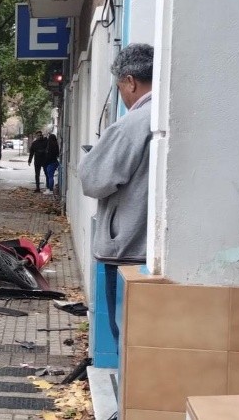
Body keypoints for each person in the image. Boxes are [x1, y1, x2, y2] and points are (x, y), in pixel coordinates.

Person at [78, 43, 153, 346]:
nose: (122, 95)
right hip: (154, 250)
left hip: (127, 250)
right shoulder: (169, 115)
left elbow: (93, 180)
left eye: (121, 86)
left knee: (125, 334)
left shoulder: (131, 125)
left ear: (130, 81)